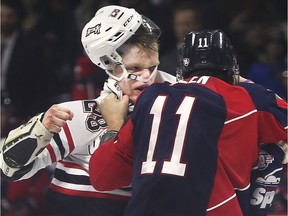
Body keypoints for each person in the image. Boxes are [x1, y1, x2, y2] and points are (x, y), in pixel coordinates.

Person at [88, 29, 288, 216]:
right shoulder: (249, 97)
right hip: (213, 209)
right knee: (274, 146)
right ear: (232, 67)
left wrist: (113, 126)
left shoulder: (150, 97)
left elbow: (102, 177)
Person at [0, 5, 175, 216]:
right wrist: (38, 129)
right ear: (111, 66)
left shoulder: (181, 100)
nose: (148, 76)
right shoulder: (81, 117)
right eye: (135, 68)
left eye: (152, 66)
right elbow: (8, 168)